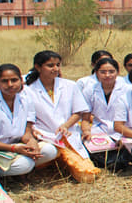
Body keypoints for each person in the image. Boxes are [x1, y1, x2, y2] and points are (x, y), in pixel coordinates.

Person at [24, 50, 100, 183]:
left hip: (68, 133)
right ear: (37, 67)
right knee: (49, 152)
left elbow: (78, 112)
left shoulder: (69, 85)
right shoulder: (27, 89)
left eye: (58, 65)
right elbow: (26, 117)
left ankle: (57, 162)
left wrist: (66, 125)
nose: (55, 69)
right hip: (44, 135)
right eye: (50, 65)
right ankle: (51, 162)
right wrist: (34, 130)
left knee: (87, 176)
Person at [0, 64, 58, 177]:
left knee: (49, 151)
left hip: (17, 146)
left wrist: (32, 143)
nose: (10, 85)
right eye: (5, 81)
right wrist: (14, 148)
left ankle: (16, 169)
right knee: (24, 164)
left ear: (21, 81)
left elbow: (27, 132)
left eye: (14, 80)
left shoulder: (25, 100)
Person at [81, 58, 131, 171]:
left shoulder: (128, 90)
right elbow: (85, 117)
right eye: (103, 72)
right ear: (96, 73)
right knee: (83, 141)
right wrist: (86, 131)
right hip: (99, 129)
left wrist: (125, 136)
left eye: (111, 72)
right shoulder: (90, 90)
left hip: (123, 129)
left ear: (118, 72)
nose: (107, 75)